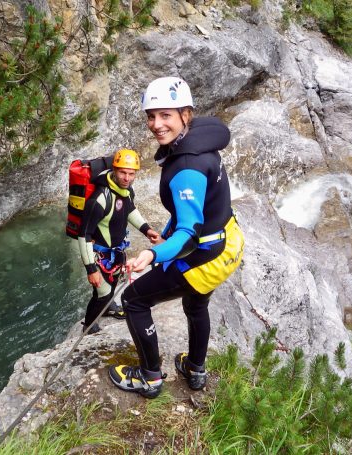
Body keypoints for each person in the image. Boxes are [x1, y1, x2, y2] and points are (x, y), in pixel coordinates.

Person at [108, 77, 245, 398]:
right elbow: (196, 212)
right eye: (151, 116)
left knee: (133, 300)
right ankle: (196, 370)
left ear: (185, 114)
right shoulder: (203, 137)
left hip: (203, 257)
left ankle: (150, 377)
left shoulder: (185, 166)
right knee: (196, 304)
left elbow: (188, 233)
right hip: (228, 243)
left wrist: (153, 255)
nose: (156, 124)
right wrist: (167, 233)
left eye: (165, 115)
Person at [76, 148, 161, 334]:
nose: (127, 178)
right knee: (103, 292)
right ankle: (88, 326)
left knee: (112, 284)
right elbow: (84, 236)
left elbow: (130, 210)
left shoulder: (126, 191)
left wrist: (146, 230)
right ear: (114, 170)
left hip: (115, 252)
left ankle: (107, 308)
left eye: (131, 174)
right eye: (123, 172)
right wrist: (91, 270)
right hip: (99, 255)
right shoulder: (99, 199)